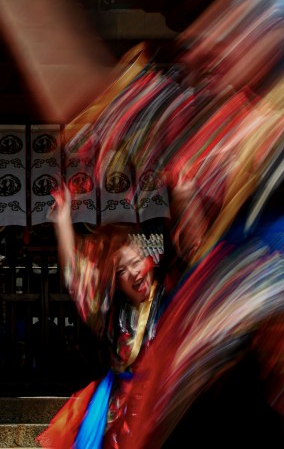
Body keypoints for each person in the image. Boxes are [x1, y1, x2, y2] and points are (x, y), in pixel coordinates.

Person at [36, 183, 171, 448]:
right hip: (120, 414)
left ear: (149, 262)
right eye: (123, 271)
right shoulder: (111, 313)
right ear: (116, 281)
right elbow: (75, 276)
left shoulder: (171, 300)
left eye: (136, 262)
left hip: (162, 406)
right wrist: (63, 222)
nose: (134, 273)